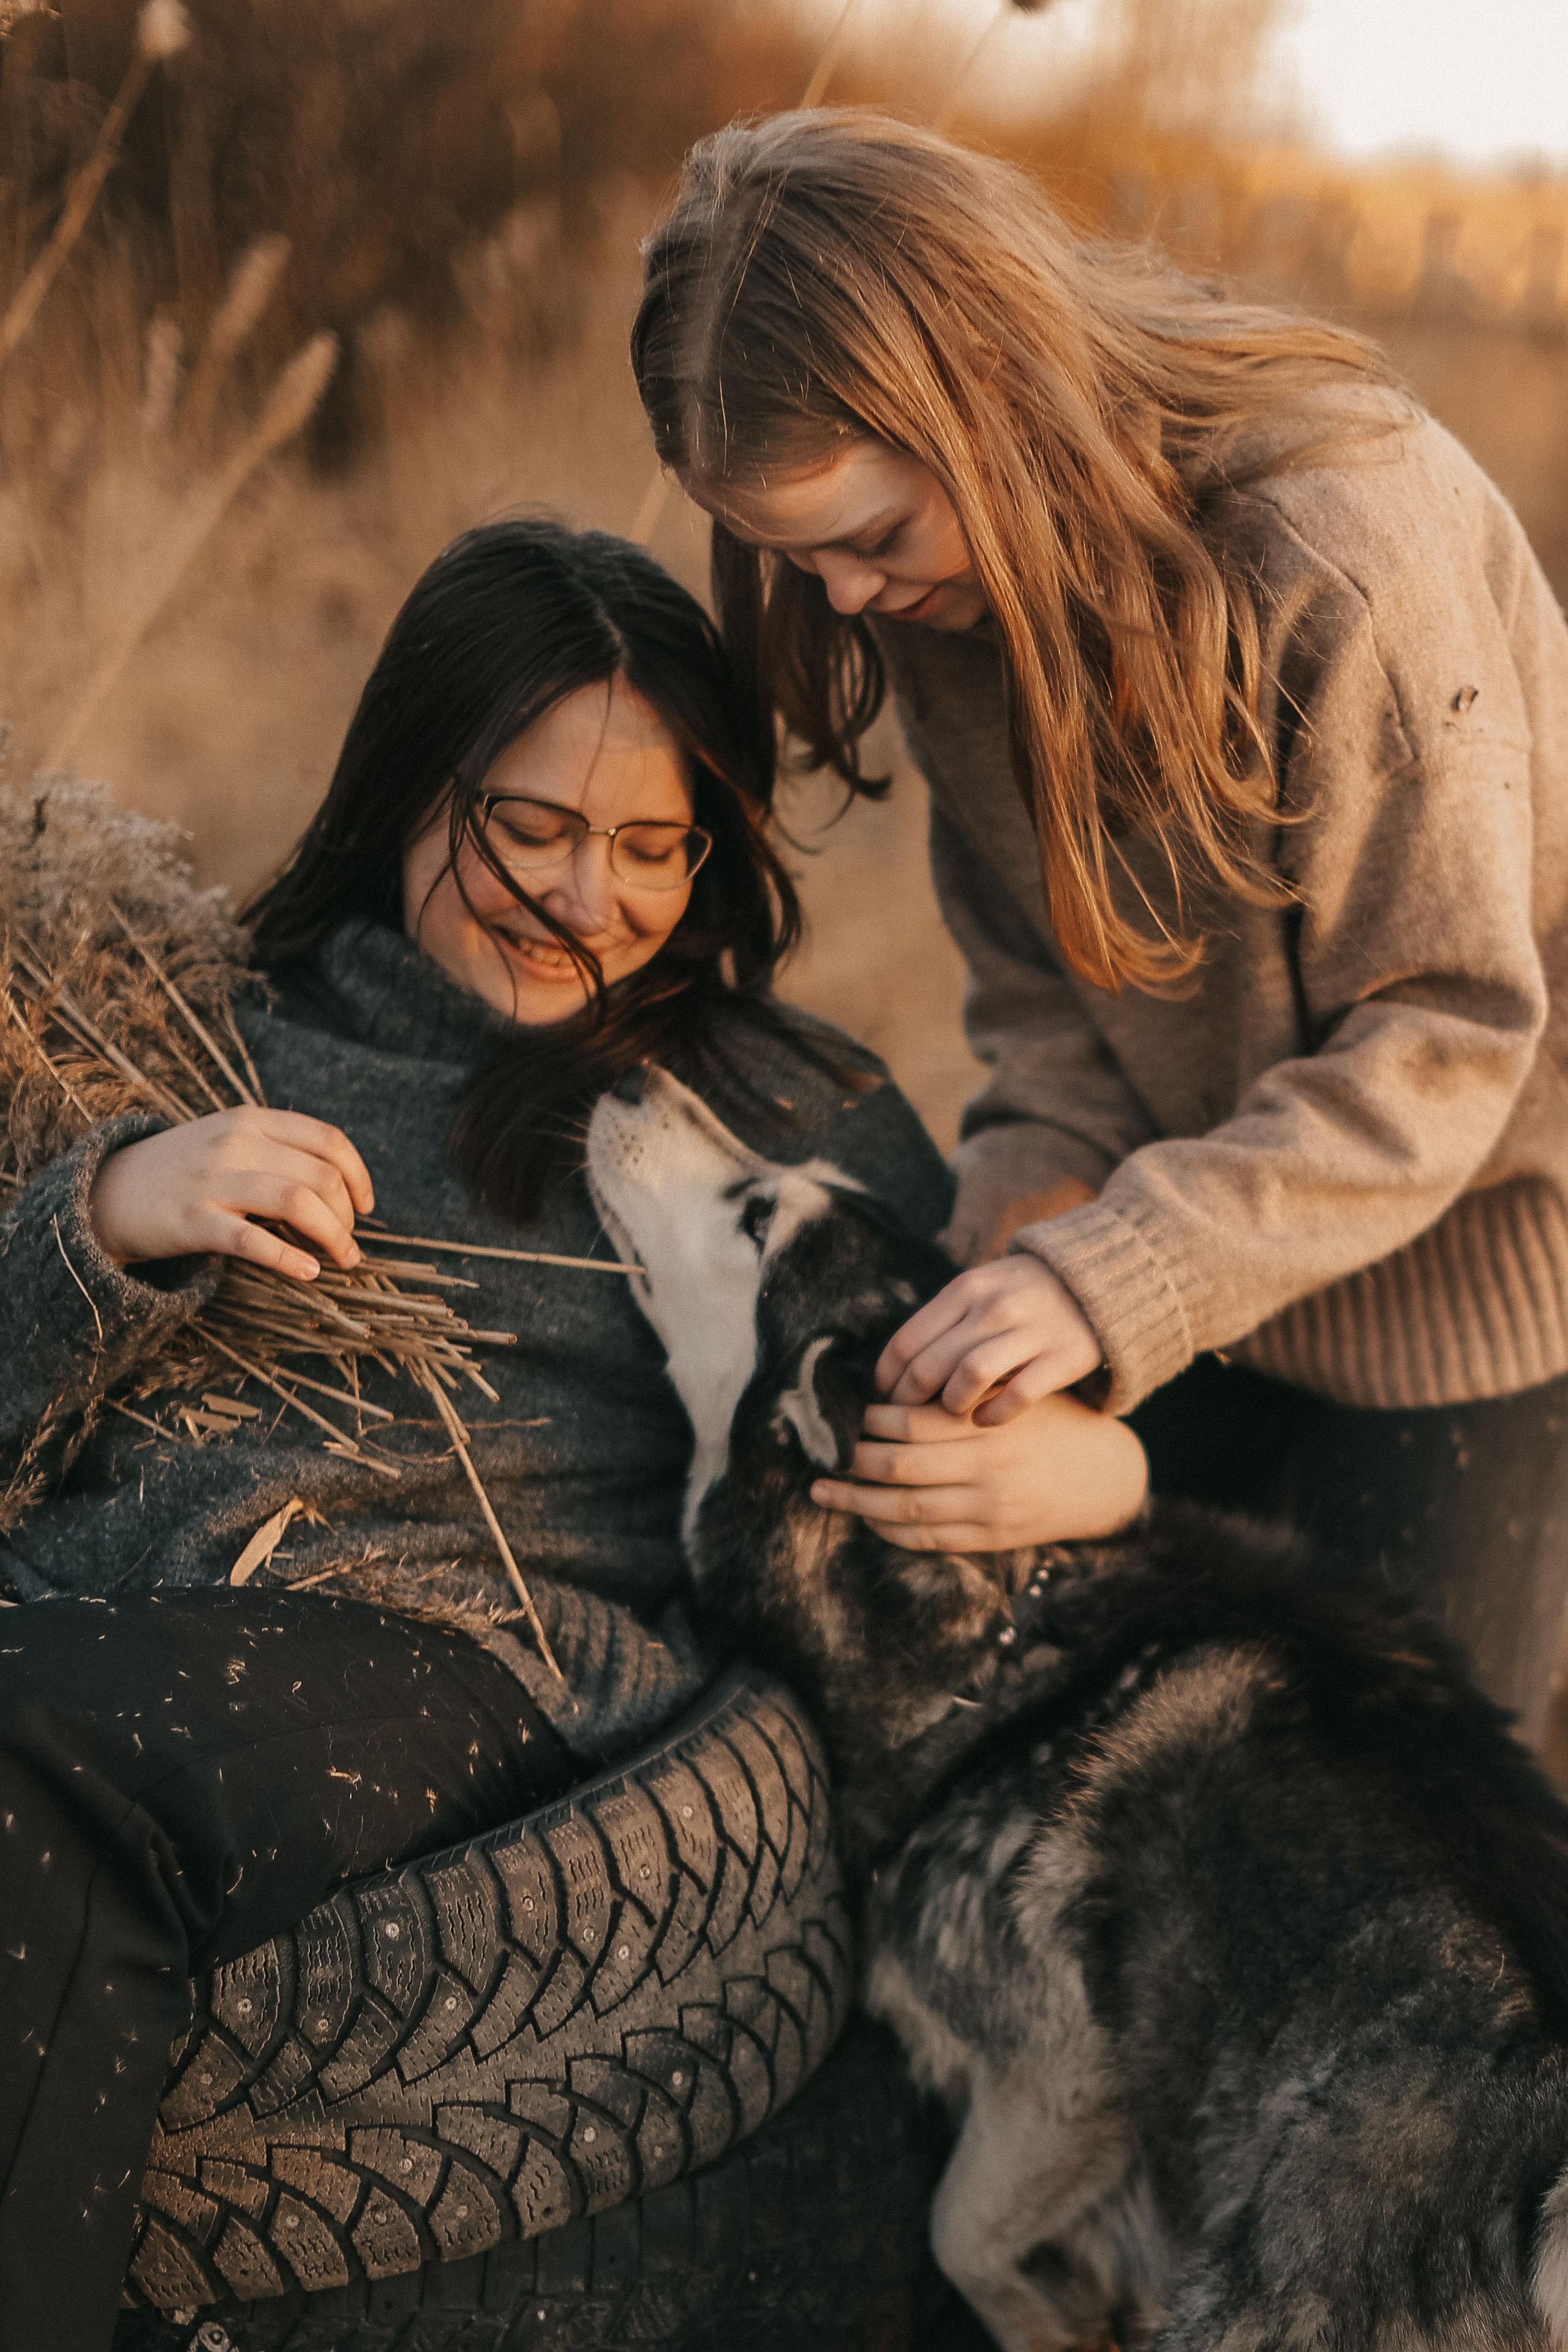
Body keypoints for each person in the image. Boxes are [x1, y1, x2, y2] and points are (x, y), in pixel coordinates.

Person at [0, 516, 1144, 2347]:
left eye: (653, 846)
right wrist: (111, 1209)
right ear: (403, 784)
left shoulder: (778, 1106)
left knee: (35, 1753)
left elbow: (961, 1412)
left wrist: (1106, 1467)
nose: (586, 899)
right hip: (111, 1614)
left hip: (463, 1650)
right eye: (527, 828)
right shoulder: (190, 1034)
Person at [631, 108, 1568, 1749]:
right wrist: (1023, 1208)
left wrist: (1107, 1281)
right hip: (1194, 1248)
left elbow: (1449, 1038)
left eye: (868, 538)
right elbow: (1044, 989)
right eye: (796, 557)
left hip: (1470, 1263)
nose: (844, 598)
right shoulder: (946, 592)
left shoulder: (1344, 553)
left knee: (1394, 1799)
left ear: (992, 402)